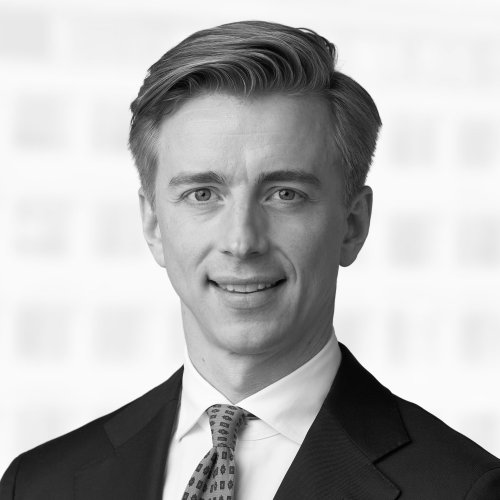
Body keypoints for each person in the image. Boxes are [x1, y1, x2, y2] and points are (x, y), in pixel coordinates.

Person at [1, 20, 499, 500]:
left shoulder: (465, 489)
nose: (241, 241)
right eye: (202, 194)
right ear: (153, 224)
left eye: (285, 194)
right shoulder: (38, 484)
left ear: (353, 224)